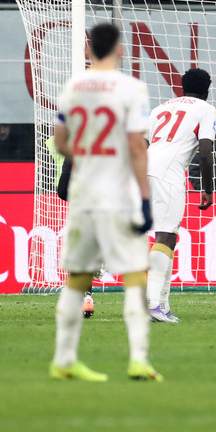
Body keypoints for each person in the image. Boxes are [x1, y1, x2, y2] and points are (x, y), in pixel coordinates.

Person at [50, 22, 160, 381]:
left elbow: (60, 140)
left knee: (77, 279)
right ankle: (138, 359)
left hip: (83, 193)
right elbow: (135, 147)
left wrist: (85, 157)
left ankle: (64, 361)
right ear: (120, 49)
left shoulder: (72, 87)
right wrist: (144, 198)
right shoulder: (131, 88)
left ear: (88, 50)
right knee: (134, 276)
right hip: (117, 193)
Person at [144, 67, 215, 323]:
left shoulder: (160, 108)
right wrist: (207, 189)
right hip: (169, 173)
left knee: (168, 236)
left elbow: (143, 143)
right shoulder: (205, 109)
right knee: (165, 234)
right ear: (207, 89)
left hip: (143, 168)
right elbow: (206, 151)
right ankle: (152, 302)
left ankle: (161, 304)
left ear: (182, 86)